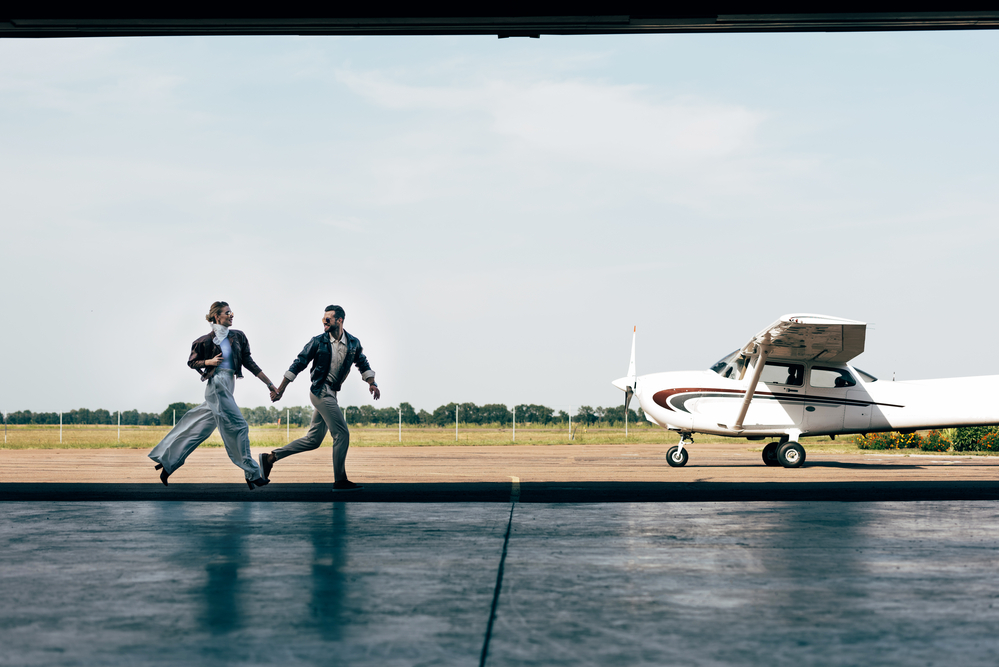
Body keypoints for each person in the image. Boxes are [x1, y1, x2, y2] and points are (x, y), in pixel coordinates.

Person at [148, 301, 278, 490]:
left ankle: (168, 463)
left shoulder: (238, 337)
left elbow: (250, 363)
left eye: (231, 312)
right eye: (227, 312)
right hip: (216, 385)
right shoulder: (205, 340)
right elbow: (192, 362)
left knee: (198, 430)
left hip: (229, 384)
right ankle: (252, 474)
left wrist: (270, 385)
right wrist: (209, 361)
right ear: (217, 316)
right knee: (240, 427)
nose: (231, 315)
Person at [261, 304, 380, 491]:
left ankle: (270, 458)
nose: (324, 322)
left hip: (332, 393)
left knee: (313, 440)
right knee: (342, 433)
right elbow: (298, 363)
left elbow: (363, 364)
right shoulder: (318, 342)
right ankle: (340, 480)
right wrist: (281, 389)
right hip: (320, 391)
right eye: (323, 319)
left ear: (339, 321)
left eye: (328, 319)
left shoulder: (353, 343)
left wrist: (372, 383)